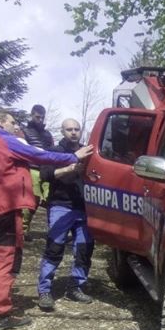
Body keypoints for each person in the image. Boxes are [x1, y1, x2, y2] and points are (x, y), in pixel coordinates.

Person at [0, 111, 93, 330]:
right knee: (10, 261)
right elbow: (39, 156)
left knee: (2, 260)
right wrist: (74, 157)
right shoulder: (4, 140)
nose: (16, 126)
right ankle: (0, 314)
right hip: (5, 207)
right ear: (0, 123)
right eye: (12, 122)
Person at [37, 119, 94, 309]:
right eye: (69, 129)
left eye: (77, 129)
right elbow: (45, 175)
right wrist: (68, 168)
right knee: (54, 248)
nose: (73, 132)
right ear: (62, 131)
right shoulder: (55, 150)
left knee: (85, 249)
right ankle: (44, 290)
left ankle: (75, 287)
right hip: (60, 205)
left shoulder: (88, 151)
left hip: (84, 207)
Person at [21, 104, 54, 237]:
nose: (40, 120)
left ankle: (54, 231)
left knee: (50, 200)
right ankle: (23, 231)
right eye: (37, 117)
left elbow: (52, 151)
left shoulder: (47, 134)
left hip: (47, 170)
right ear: (32, 115)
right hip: (31, 169)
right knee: (30, 202)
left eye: (42, 117)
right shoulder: (23, 131)